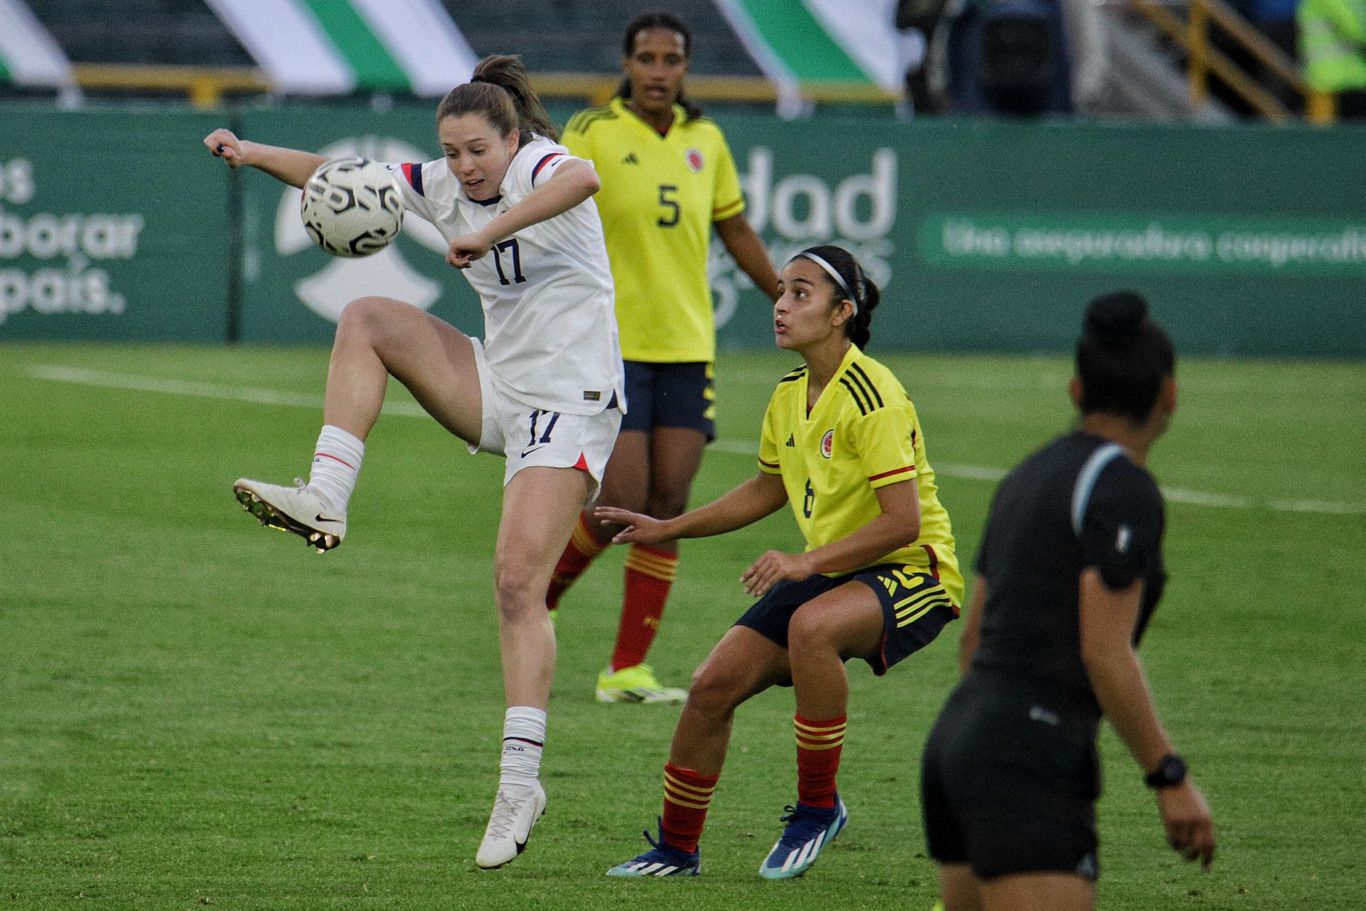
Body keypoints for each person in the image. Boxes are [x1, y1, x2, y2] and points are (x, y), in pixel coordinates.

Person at [202, 54, 625, 871]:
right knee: (365, 316)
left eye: (476, 151)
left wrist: (488, 229)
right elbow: (339, 173)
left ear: (510, 139)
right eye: (451, 152)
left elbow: (586, 180)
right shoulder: (441, 181)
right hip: (498, 380)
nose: (463, 167)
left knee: (514, 582)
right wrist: (253, 155)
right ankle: (326, 494)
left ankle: (520, 780)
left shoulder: (539, 165)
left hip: (570, 399)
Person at [598, 245, 962, 879]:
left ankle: (818, 810)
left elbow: (902, 522)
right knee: (711, 686)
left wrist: (806, 561)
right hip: (832, 569)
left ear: (842, 312)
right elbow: (769, 487)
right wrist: (668, 527)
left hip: (913, 570)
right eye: (781, 292)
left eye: (800, 294)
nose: (781, 305)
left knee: (811, 628)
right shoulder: (792, 393)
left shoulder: (874, 395)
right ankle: (676, 850)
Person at [919, 292, 1216, 911]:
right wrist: (1169, 775)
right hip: (1027, 759)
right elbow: (1105, 653)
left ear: (1076, 390)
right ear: (1170, 395)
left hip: (957, 741)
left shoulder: (1027, 474)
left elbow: (973, 642)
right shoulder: (1124, 489)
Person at [549, 10, 782, 704]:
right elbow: (551, 211)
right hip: (610, 345)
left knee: (669, 502)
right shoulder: (590, 132)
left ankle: (626, 669)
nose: (658, 71)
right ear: (627, 64)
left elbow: (734, 226)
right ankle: (537, 597)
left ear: (685, 68)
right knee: (620, 499)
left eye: (671, 59)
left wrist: (785, 293)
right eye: (646, 58)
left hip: (686, 346)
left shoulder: (705, 139)